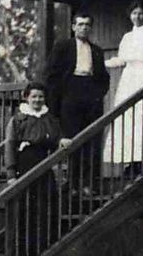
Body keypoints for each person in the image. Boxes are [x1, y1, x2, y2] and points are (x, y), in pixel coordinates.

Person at [103, 1, 143, 173]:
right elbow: (121, 59)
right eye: (134, 13)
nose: (137, 17)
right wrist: (102, 63)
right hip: (128, 79)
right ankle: (130, 161)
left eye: (140, 13)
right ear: (129, 15)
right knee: (127, 118)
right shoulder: (127, 37)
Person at [45, 14, 108, 186]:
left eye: (87, 25)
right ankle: (73, 183)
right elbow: (51, 74)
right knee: (73, 137)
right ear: (73, 27)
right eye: (80, 24)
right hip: (70, 91)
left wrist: (98, 94)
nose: (84, 28)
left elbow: (103, 77)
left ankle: (89, 183)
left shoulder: (96, 50)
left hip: (90, 92)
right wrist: (57, 97)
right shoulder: (63, 47)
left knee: (92, 137)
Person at [5, 82, 63, 256]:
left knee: (46, 208)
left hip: (44, 165)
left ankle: (44, 251)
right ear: (27, 98)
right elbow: (10, 146)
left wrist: (62, 142)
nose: (37, 100)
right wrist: (11, 174)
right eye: (34, 96)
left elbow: (57, 139)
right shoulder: (18, 119)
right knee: (25, 210)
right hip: (25, 165)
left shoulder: (50, 119)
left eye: (41, 97)